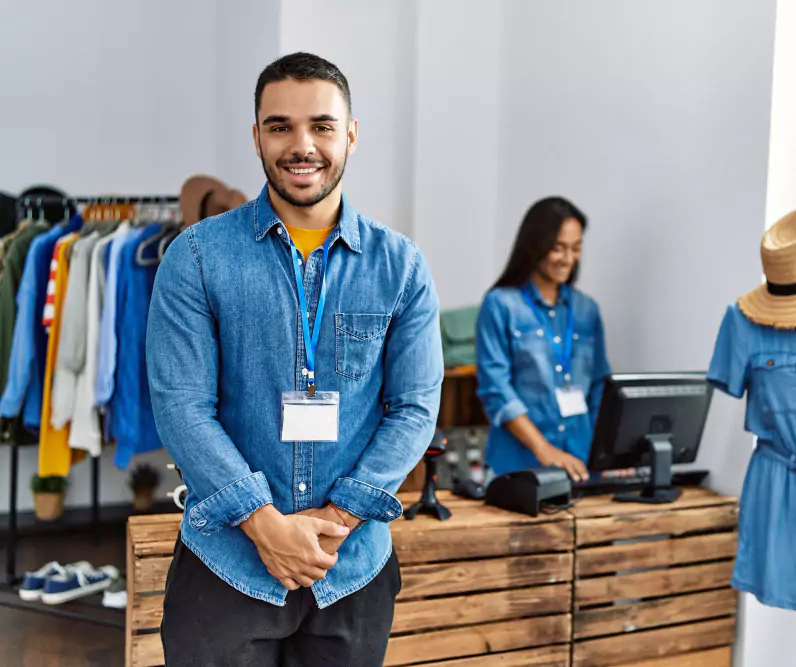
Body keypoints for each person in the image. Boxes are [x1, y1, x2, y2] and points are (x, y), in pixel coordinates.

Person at [147, 52, 443, 666]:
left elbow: (414, 408)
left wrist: (334, 520)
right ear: (256, 136)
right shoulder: (196, 258)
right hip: (226, 567)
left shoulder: (402, 267)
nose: (301, 145)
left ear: (351, 135)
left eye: (322, 126)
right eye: (280, 126)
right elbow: (181, 406)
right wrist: (265, 524)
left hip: (351, 568)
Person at [475, 197, 611, 482]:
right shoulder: (500, 305)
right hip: (518, 467)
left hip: (581, 463)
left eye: (576, 248)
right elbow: (495, 389)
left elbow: (600, 386)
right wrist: (544, 449)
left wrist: (609, 453)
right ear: (534, 246)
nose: (568, 259)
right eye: (558, 248)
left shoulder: (587, 309)